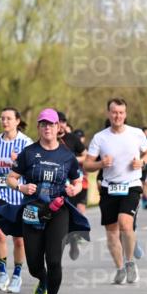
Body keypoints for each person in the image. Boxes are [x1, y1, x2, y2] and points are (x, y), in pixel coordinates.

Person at [0, 109, 90, 294]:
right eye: (43, 124)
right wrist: (21, 189)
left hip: (58, 210)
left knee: (53, 260)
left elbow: (78, 180)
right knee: (34, 264)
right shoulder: (29, 153)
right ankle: (42, 281)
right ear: (39, 128)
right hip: (31, 210)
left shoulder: (66, 156)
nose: (47, 128)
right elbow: (11, 178)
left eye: (51, 124)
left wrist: (75, 190)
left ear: (57, 127)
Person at [84, 98, 147, 285]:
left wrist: (142, 162)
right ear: (108, 113)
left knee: (125, 223)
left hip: (131, 184)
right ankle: (120, 267)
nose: (118, 116)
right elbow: (87, 164)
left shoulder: (136, 134)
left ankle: (130, 262)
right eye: (114, 112)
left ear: (126, 114)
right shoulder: (100, 137)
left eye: (121, 112)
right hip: (109, 187)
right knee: (112, 232)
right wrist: (100, 163)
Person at [0, 108, 33, 292]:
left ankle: (17, 275)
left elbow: (31, 169)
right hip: (0, 189)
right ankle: (3, 273)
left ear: (17, 121)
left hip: (19, 191)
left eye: (9, 118)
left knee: (19, 240)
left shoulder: (26, 142)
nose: (5, 121)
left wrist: (17, 162)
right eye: (2, 118)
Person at [57, 111, 89, 260]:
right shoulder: (47, 140)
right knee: (63, 218)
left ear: (65, 124)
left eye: (62, 121)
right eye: (56, 121)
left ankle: (75, 236)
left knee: (78, 213)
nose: (59, 125)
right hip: (58, 186)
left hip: (76, 182)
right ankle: (70, 241)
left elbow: (86, 155)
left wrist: (72, 159)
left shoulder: (73, 139)